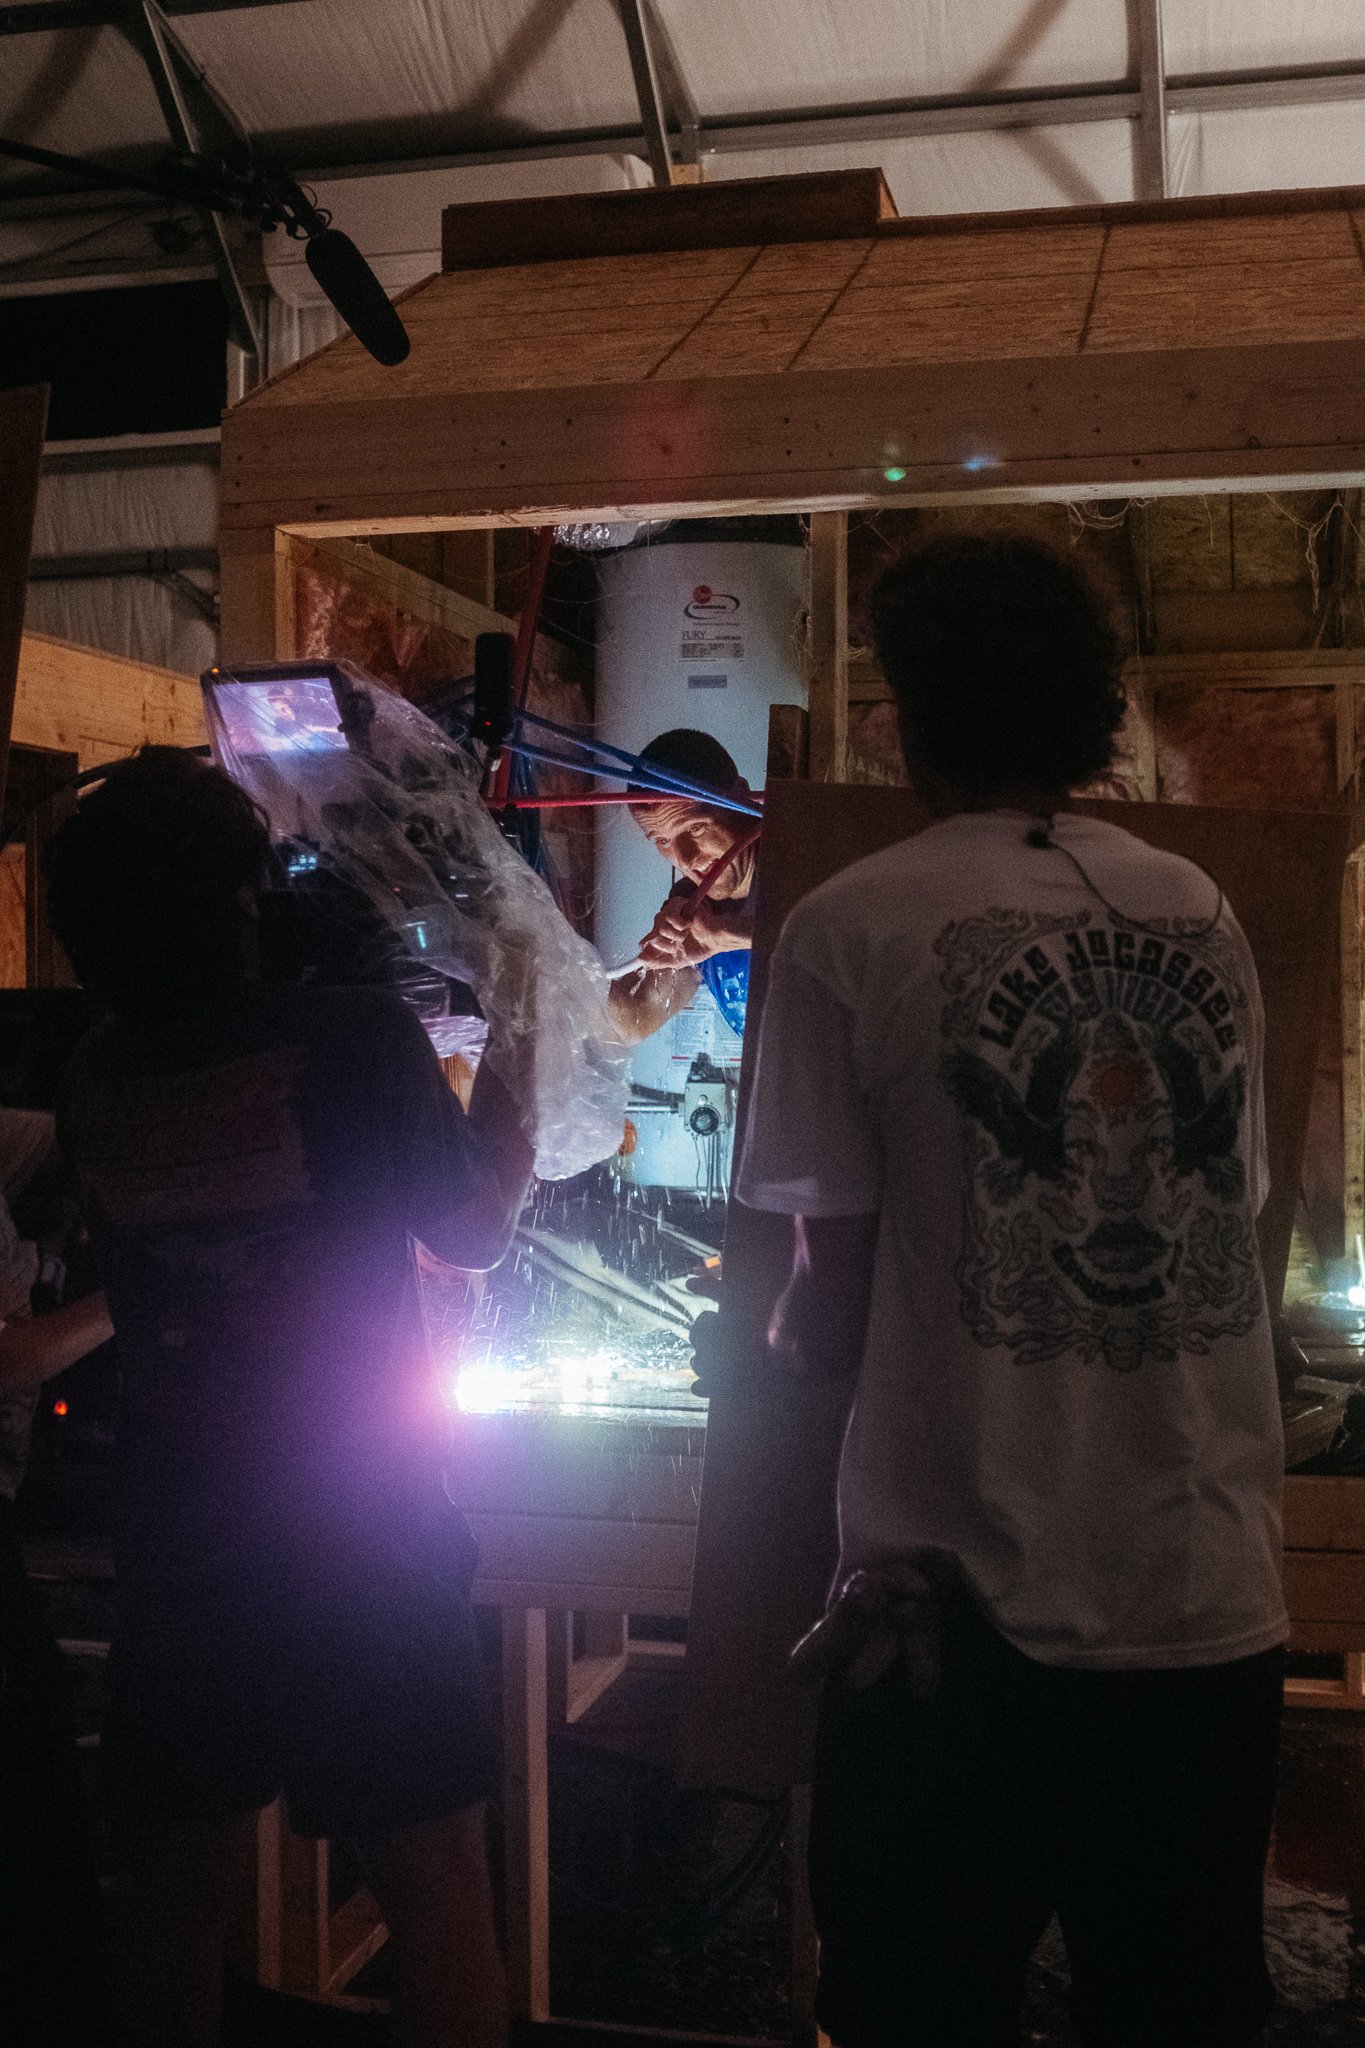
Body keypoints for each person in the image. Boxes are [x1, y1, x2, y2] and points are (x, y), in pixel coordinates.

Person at [733, 534, 1286, 2048]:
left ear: (904, 716)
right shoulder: (1203, 913)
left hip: (949, 1630)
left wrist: (777, 1351)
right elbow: (1218, 1227)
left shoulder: (849, 925)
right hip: (1203, 1608)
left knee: (918, 2015)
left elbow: (823, 1308)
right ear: (1094, 711)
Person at [45, 748, 535, 2048]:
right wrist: (524, 1043)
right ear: (244, 900)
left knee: (170, 1917)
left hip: (181, 1545)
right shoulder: (352, 1039)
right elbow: (476, 1229)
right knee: (435, 1902)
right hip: (358, 1545)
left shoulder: (97, 1074)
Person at [607, 729, 759, 1046]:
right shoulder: (693, 903)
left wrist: (727, 935)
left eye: (695, 827)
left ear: (741, 796)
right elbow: (635, 1018)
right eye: (663, 841)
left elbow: (841, 939)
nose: (685, 858)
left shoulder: (799, 860)